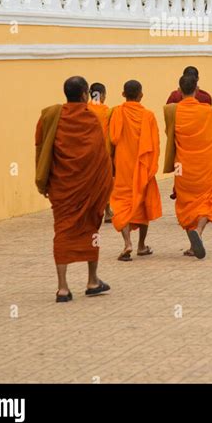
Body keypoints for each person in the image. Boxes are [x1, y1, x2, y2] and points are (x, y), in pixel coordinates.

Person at [35, 76, 113, 302]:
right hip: (89, 189)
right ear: (84, 95)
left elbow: (41, 147)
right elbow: (101, 157)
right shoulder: (90, 118)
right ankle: (92, 280)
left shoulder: (51, 117)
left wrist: (44, 180)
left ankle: (62, 288)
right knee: (91, 230)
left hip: (62, 187)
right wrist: (103, 185)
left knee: (62, 231)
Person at [164, 73, 212, 259]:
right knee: (209, 197)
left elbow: (169, 134)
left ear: (179, 90)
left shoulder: (173, 111)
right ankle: (199, 231)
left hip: (183, 168)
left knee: (185, 203)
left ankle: (191, 241)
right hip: (204, 165)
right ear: (197, 89)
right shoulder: (207, 111)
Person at [109, 80, 162, 261]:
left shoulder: (118, 112)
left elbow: (114, 138)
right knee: (142, 203)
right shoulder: (148, 116)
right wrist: (152, 165)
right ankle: (141, 245)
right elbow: (155, 144)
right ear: (141, 95)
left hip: (124, 164)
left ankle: (127, 243)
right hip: (143, 166)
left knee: (123, 202)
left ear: (123, 94)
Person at [88, 82, 114, 223]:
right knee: (105, 183)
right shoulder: (106, 111)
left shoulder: (85, 109)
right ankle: (107, 211)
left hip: (86, 153)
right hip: (103, 152)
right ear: (102, 95)